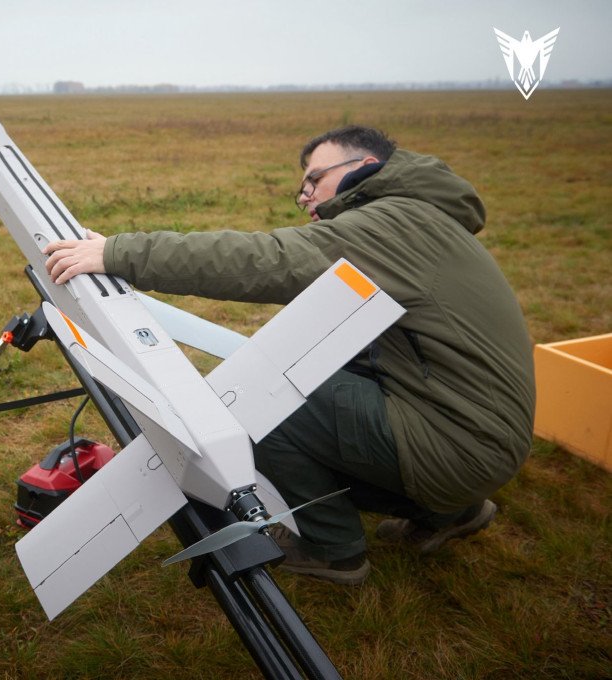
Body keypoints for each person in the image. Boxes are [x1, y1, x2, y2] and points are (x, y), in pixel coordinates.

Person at [42, 125, 535, 585]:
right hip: (482, 433)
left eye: (314, 180)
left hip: (460, 444)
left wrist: (119, 254)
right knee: (324, 367)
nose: (305, 197)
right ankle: (452, 511)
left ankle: (332, 549)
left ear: (363, 166)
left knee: (268, 394)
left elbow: (266, 259)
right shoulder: (423, 218)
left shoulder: (391, 225)